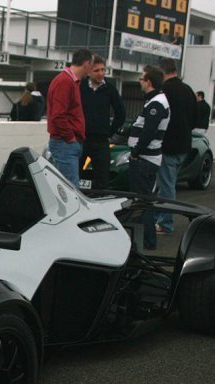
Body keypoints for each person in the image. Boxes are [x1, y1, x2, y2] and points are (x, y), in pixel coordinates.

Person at [127, 65, 170, 251]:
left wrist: (136, 151)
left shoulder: (156, 104)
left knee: (141, 201)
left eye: (141, 79)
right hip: (149, 158)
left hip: (145, 159)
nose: (140, 82)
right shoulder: (156, 101)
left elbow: (149, 132)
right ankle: (146, 239)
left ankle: (147, 241)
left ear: (149, 82)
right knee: (144, 199)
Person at [154, 58, 197, 235]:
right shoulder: (188, 90)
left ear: (161, 72)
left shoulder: (164, 91)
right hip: (184, 144)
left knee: (166, 186)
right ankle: (161, 219)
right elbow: (195, 117)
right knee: (167, 184)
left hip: (168, 145)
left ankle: (165, 223)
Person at [47, 48, 93, 187]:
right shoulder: (65, 82)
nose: (90, 69)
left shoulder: (69, 81)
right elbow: (58, 115)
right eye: (91, 65)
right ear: (86, 64)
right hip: (65, 143)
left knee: (64, 187)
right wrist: (70, 137)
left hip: (66, 142)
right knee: (71, 189)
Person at [79, 54, 125, 190]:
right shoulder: (80, 87)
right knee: (75, 174)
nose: (101, 73)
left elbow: (120, 113)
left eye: (103, 70)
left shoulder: (110, 89)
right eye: (96, 70)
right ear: (89, 72)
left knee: (102, 178)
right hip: (82, 139)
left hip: (101, 141)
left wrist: (109, 132)